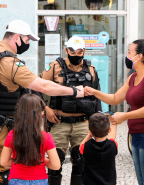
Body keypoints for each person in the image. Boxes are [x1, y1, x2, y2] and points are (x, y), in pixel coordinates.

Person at [0, 20, 84, 185]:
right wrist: (74, 91)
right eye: (27, 41)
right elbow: (43, 86)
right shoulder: (8, 62)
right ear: (16, 38)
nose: (27, 44)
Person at [85, 39, 144, 185]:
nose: (126, 55)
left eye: (129, 52)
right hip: (135, 135)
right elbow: (115, 98)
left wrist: (125, 116)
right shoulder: (133, 77)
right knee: (142, 181)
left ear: (139, 56)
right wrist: (94, 92)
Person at [40, 35, 102, 185]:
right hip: (59, 121)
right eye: (72, 52)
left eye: (79, 52)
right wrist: (46, 109)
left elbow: (97, 98)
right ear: (66, 50)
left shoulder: (91, 70)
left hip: (82, 122)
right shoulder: (54, 66)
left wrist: (97, 125)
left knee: (81, 161)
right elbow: (36, 88)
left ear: (84, 51)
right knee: (55, 162)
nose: (75, 55)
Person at [0, 94, 60, 185]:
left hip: (16, 180)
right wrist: (42, 159)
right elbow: (56, 166)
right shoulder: (46, 137)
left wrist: (19, 159)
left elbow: (4, 161)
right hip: (40, 180)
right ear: (41, 113)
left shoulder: (12, 134)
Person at [79, 113, 118, 185]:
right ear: (109, 130)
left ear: (90, 131)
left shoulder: (86, 147)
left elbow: (81, 146)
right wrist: (114, 123)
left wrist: (89, 135)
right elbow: (112, 137)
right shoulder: (113, 146)